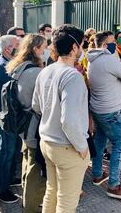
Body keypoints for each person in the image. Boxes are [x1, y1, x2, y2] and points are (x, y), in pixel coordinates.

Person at [32, 24, 90, 213]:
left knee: (52, 191)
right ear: (74, 48)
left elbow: (36, 106)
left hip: (47, 141)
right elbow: (69, 121)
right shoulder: (72, 76)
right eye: (82, 45)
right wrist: (82, 147)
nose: (82, 49)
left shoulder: (46, 71)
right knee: (67, 202)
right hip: (67, 146)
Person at [87, 31, 121, 199]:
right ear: (105, 45)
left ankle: (98, 174)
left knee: (99, 143)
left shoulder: (93, 59)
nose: (116, 44)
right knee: (120, 146)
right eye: (113, 41)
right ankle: (114, 185)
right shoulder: (108, 60)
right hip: (111, 111)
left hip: (98, 110)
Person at [6, 34, 47, 213]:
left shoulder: (19, 67)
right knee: (34, 170)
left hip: (22, 124)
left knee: (27, 162)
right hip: (34, 127)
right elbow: (42, 104)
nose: (45, 51)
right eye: (44, 47)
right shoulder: (36, 73)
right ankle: (31, 207)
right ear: (36, 49)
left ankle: (27, 200)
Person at [0, 35, 20, 203]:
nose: (20, 49)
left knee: (12, 148)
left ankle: (8, 179)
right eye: (17, 46)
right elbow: (17, 86)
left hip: (8, 114)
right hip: (3, 115)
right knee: (6, 151)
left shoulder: (6, 63)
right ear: (7, 49)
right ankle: (1, 190)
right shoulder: (3, 66)